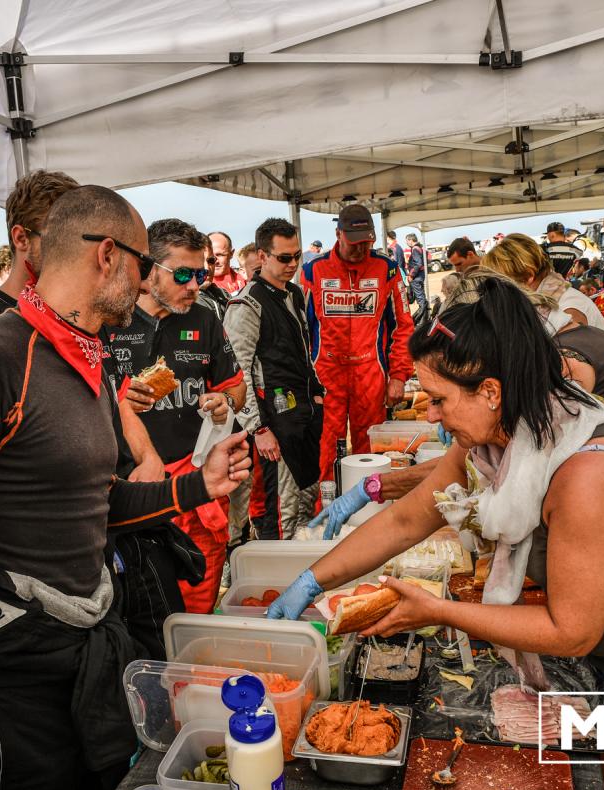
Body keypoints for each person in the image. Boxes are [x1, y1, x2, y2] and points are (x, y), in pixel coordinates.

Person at [271, 277, 604, 790]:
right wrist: (311, 580)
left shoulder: (589, 473)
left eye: (438, 400)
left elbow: (570, 631)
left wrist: (436, 610)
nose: (431, 415)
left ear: (490, 391)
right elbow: (406, 520)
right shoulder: (496, 437)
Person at [0, 185, 251, 790]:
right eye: (141, 264)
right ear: (107, 255)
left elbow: (95, 502)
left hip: (81, 649)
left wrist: (196, 485)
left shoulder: (86, 357)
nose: (145, 281)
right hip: (8, 664)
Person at [315, 268, 604, 562]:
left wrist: (379, 486)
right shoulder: (570, 343)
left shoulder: (563, 372)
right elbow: (454, 477)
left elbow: (471, 470)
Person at [109, 218, 246, 614]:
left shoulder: (204, 319)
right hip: (133, 490)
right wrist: (117, 404)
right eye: (183, 275)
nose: (195, 285)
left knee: (197, 606)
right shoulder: (111, 322)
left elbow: (236, 387)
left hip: (196, 486)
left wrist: (225, 401)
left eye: (201, 274)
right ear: (148, 269)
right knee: (143, 610)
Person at [225, 218, 324, 540]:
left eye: (296, 256)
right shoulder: (247, 302)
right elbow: (237, 373)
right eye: (284, 258)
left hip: (303, 416)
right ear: (262, 256)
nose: (292, 264)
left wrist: (317, 394)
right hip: (274, 424)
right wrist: (258, 428)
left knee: (307, 503)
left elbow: (302, 352)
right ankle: (275, 567)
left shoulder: (294, 293)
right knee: (282, 512)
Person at [303, 204, 414, 482]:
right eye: (354, 242)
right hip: (326, 373)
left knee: (372, 450)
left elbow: (404, 326)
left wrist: (399, 375)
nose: (360, 249)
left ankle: (371, 502)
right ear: (338, 234)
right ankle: (328, 502)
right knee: (326, 448)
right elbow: (299, 330)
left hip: (370, 372)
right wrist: (305, 381)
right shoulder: (312, 271)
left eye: (366, 242)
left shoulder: (387, 269)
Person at [0, 171, 80, 343]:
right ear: (21, 238)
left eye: (79, 240)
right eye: (61, 239)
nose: (74, 251)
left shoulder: (82, 315)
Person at [482, 233, 604, 330]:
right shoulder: (551, 299)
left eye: (503, 283)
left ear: (528, 276)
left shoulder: (568, 312)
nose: (500, 291)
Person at [405, 233, 428, 325]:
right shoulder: (420, 248)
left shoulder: (415, 249)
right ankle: (424, 318)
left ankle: (422, 320)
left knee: (420, 298)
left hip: (416, 277)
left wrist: (411, 275)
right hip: (420, 276)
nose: (406, 243)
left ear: (411, 240)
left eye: (407, 241)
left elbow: (418, 264)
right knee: (422, 297)